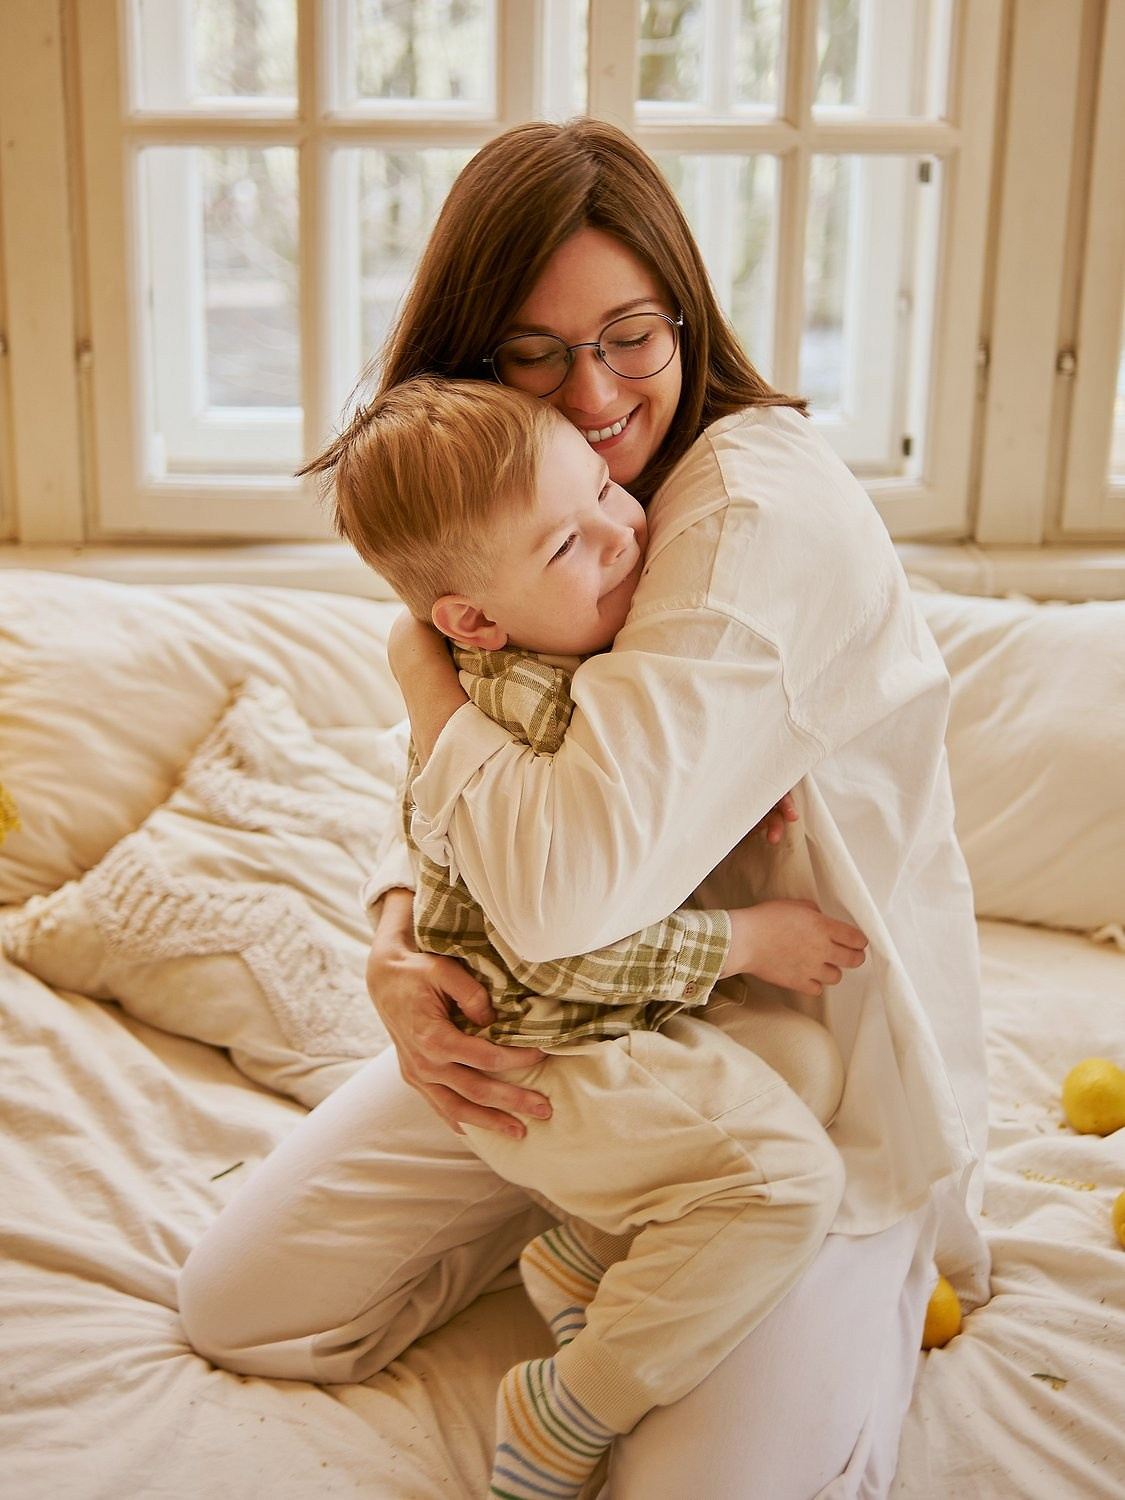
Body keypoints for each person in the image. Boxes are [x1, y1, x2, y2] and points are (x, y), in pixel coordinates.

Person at [180, 118, 990, 1499]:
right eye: (533, 352)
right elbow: (478, 776)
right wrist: (393, 934)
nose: (596, 396)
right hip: (578, 1041)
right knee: (244, 1303)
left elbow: (559, 876)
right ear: (472, 363)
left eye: (630, 334)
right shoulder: (517, 500)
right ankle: (591, 1238)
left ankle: (749, 1263)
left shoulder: (743, 517)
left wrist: (419, 681)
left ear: (684, 312)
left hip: (807, 1063)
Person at [313, 372, 862, 1498]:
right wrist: (749, 938)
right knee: (790, 1184)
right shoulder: (509, 720)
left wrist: (726, 785)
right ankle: (568, 1406)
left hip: (599, 1041)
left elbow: (646, 794)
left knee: (807, 1061)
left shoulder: (556, 662)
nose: (624, 535)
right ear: (471, 620)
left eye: (608, 491)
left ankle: (589, 1256)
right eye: (569, 544)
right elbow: (567, 945)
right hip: (543, 1060)